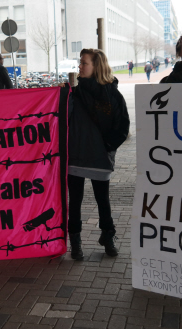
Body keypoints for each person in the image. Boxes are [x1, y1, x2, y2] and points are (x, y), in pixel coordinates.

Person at [66, 48, 130, 260]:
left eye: (84, 63)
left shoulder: (113, 95)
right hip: (76, 156)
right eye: (80, 63)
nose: (80, 67)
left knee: (103, 200)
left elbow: (123, 126)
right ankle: (76, 241)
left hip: (99, 157)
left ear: (96, 67)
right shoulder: (73, 94)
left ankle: (108, 236)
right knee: (75, 201)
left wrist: (107, 145)